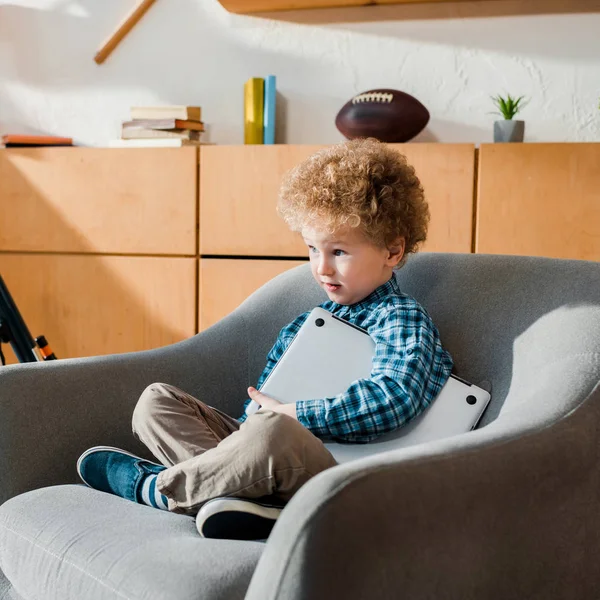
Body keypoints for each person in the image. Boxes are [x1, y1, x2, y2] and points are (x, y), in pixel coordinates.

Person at [77, 138, 453, 539]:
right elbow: (254, 419)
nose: (321, 267)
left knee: (271, 431)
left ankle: (157, 488)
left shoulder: (400, 316)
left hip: (341, 476)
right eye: (312, 248)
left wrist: (292, 415)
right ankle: (242, 500)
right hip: (276, 455)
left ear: (393, 252)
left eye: (339, 251)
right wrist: (258, 428)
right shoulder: (310, 323)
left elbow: (393, 400)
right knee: (157, 402)